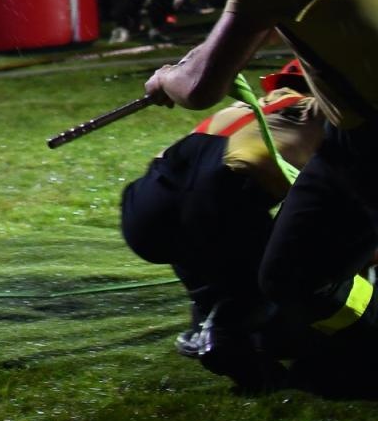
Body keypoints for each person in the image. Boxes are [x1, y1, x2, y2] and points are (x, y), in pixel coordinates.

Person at [143, 0, 378, 388]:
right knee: (292, 273)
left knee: (300, 275)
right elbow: (251, 28)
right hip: (352, 138)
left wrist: (165, 78)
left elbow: (201, 88)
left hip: (373, 142)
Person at [121, 60, 340, 389]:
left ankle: (219, 338)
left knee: (218, 287)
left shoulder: (248, 106)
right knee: (275, 281)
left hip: (145, 204)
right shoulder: (330, 113)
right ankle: (225, 335)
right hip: (220, 198)